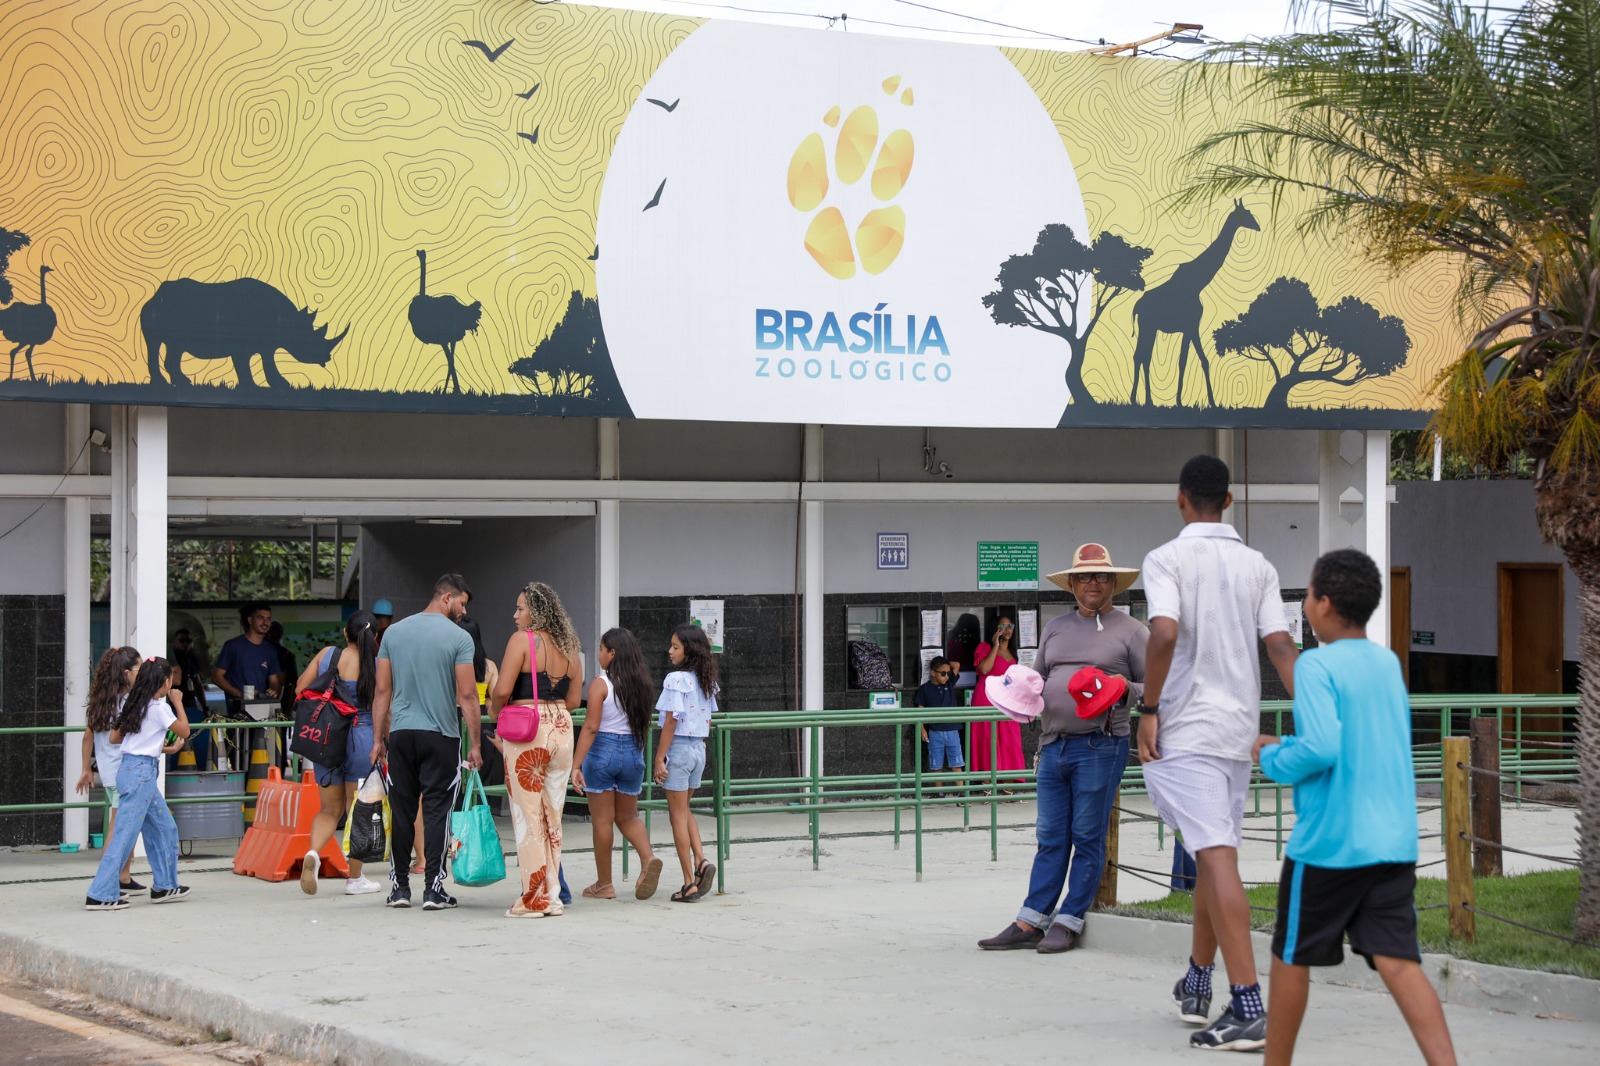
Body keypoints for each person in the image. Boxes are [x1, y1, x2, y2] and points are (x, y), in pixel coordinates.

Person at [1254, 550, 1456, 1065]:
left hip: (1328, 845)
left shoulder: (1316, 665)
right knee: (1398, 962)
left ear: (1322, 604)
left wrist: (1273, 755)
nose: (1303, 602)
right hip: (1392, 841)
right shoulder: (1386, 662)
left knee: (1290, 956)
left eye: (1306, 593)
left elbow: (1321, 747)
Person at [1137, 454, 1299, 1052]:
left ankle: (1250, 1004)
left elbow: (1164, 633)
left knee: (1218, 858)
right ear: (1227, 501)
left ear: (1181, 499)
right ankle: (1198, 982)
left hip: (1186, 727)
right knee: (1210, 854)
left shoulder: (1166, 559)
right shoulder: (1258, 564)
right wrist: (1319, 718)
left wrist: (1148, 710)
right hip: (1236, 731)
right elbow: (1280, 646)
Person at [979, 542, 1147, 954]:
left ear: (1114, 584)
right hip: (1052, 743)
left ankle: (1069, 919)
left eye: (1103, 576)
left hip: (1101, 744)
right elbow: (1037, 679)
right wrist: (1018, 694)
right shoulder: (1055, 627)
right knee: (1051, 835)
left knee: (1087, 835)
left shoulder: (1133, 631)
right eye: (1086, 576)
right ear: (1072, 583)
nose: (1094, 582)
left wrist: (1123, 688)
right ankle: (1031, 919)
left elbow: (1159, 687)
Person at [370, 574, 483, 911]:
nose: (463, 611)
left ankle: (399, 889)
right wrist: (475, 743)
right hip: (442, 735)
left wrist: (378, 739)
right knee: (437, 811)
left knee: (402, 809)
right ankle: (433, 889)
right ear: (446, 597)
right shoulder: (459, 638)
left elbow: (382, 690)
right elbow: (467, 695)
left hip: (402, 734)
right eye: (461, 602)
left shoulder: (393, 633)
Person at [488, 580, 582, 917]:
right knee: (552, 816)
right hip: (561, 728)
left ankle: (533, 898)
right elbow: (573, 700)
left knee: (527, 817)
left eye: (521, 608)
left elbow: (502, 690)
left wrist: (494, 711)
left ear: (536, 611)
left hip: (527, 730)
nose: (515, 615)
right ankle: (553, 895)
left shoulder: (522, 641)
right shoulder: (570, 646)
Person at [84, 657, 191, 910]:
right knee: (124, 835)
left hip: (131, 769)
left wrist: (153, 745)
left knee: (164, 827)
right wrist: (177, 702)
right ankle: (100, 893)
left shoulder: (135, 704)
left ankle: (165, 885)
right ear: (165, 681)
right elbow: (184, 731)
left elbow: (113, 738)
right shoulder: (159, 707)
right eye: (170, 680)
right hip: (142, 773)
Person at [293, 610, 384, 898]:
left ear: (346, 634)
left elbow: (300, 688)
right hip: (363, 739)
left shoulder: (328, 655)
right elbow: (386, 707)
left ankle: (313, 853)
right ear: (374, 638)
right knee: (358, 810)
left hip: (328, 738)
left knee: (329, 810)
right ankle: (355, 879)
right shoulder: (378, 664)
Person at [570, 627, 664, 901]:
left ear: (612, 653)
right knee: (628, 817)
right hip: (633, 754)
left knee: (602, 820)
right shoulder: (641, 683)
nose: (599, 654)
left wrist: (576, 765)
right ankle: (648, 859)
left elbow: (590, 728)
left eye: (601, 649)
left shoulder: (602, 684)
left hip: (603, 753)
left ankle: (604, 884)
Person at [653, 623, 719, 903]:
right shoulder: (706, 681)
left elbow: (670, 721)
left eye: (675, 647)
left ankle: (689, 882)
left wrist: (659, 757)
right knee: (685, 810)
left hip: (679, 750)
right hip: (699, 750)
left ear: (688, 650)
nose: (670, 651)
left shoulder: (676, 680)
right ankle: (701, 861)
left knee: (676, 815)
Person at [75, 646, 142, 895]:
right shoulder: (126, 702)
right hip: (124, 771)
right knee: (117, 829)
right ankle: (108, 880)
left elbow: (87, 737)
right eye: (139, 668)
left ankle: (123, 877)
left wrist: (86, 769)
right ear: (126, 673)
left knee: (127, 826)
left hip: (110, 771)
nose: (142, 672)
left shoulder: (101, 699)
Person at [970, 612, 1024, 778]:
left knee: (1010, 739)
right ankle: (988, 785)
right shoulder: (984, 647)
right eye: (1003, 626)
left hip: (1006, 700)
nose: (1007, 630)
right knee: (988, 740)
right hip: (985, 698)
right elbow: (984, 669)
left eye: (1010, 626)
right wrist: (995, 646)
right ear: (996, 629)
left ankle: (1009, 783)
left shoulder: (1013, 654)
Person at [212, 603, 282, 708]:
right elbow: (217, 676)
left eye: (268, 619)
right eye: (260, 618)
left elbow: (274, 681)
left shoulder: (270, 650)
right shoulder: (233, 646)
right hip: (238, 710)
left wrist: (274, 690)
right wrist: (239, 694)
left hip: (263, 707)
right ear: (250, 620)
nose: (265, 622)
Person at [912, 656, 963, 795]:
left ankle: (961, 791)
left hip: (953, 730)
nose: (946, 676)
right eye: (943, 673)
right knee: (936, 765)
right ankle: (939, 792)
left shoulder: (949, 683)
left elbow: (956, 664)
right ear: (933, 672)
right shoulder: (925, 689)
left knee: (957, 763)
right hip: (935, 731)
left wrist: (941, 663)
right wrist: (922, 728)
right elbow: (919, 710)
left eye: (947, 673)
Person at [267, 621, 298, 717]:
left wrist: (288, 709)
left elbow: (293, 683)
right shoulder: (260, 652)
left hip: (282, 697)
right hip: (270, 698)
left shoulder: (285, 655)